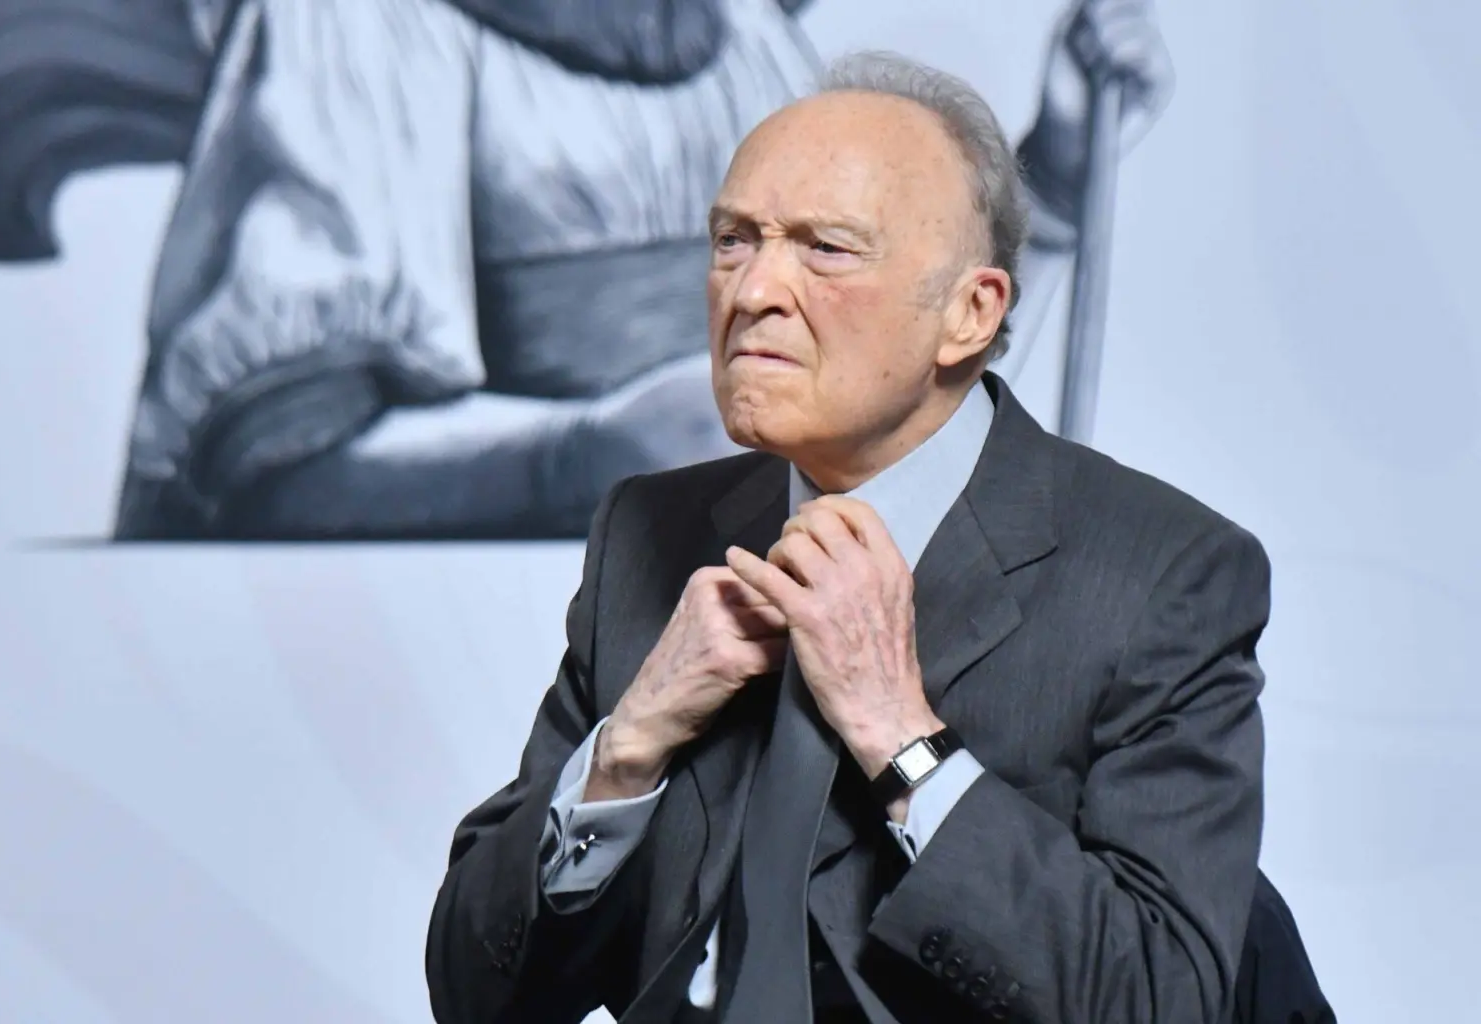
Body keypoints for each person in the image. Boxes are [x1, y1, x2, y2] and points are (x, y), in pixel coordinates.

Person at [425, 50, 1269, 1024]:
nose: (752, 291)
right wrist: (628, 747)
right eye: (733, 240)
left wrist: (901, 738)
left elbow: (1162, 1001)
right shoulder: (647, 532)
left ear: (971, 312)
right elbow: (476, 994)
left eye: (825, 248)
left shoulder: (1165, 574)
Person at [0, 0, 1173, 540]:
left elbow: (894, 386)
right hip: (480, 699)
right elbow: (272, 467)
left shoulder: (740, 35)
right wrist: (588, 455)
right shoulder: (359, 23)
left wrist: (1059, 171)